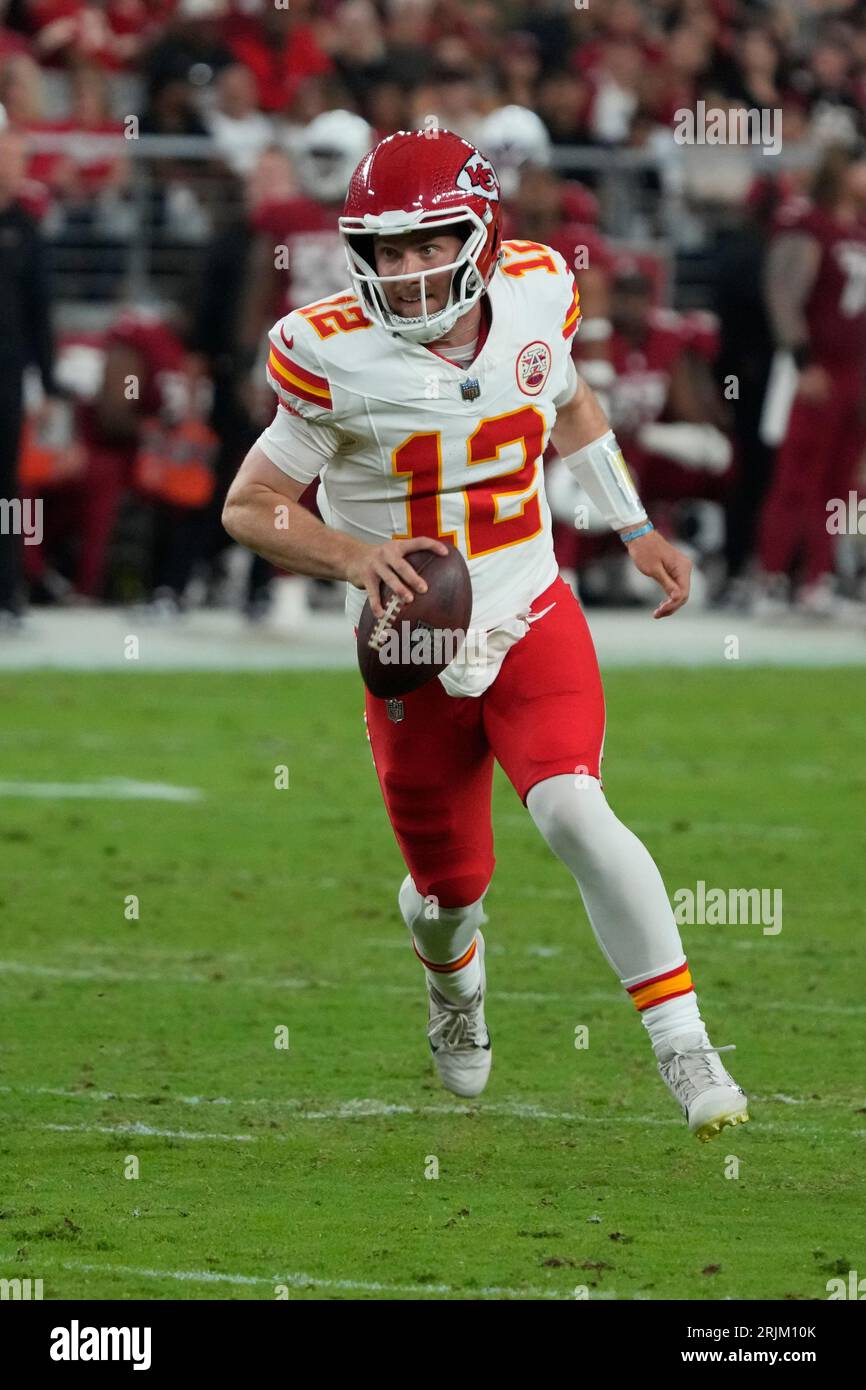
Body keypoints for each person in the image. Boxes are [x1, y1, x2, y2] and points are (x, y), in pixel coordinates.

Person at [222, 130, 749, 1142]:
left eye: (431, 244)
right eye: (387, 250)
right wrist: (346, 557)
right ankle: (453, 985)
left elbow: (569, 401)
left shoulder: (539, 287)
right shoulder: (327, 352)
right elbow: (250, 506)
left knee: (572, 811)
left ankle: (683, 1044)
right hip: (410, 649)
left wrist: (630, 524)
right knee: (446, 890)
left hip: (527, 603)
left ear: (483, 234)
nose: (408, 270)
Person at [756, 144, 866, 616]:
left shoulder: (859, 229)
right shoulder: (811, 224)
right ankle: (770, 576)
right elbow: (782, 294)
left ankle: (816, 580)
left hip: (855, 373)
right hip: (817, 369)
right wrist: (802, 359)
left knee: (842, 486)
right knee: (797, 478)